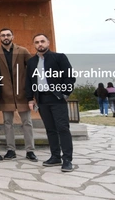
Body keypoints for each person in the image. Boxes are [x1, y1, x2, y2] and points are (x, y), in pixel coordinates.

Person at [26, 34, 76, 172]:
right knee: (50, 129)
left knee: (63, 128)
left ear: (48, 42)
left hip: (57, 98)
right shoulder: (31, 62)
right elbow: (29, 82)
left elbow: (69, 77)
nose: (40, 44)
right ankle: (55, 156)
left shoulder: (59, 57)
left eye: (42, 41)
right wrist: (30, 98)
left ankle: (67, 159)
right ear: (34, 45)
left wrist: (65, 94)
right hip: (42, 99)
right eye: (37, 42)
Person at [0, 28, 37, 161]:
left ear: (13, 36)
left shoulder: (22, 51)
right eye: (3, 35)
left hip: (22, 92)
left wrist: (32, 92)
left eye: (8, 35)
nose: (6, 37)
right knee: (7, 123)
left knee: (27, 122)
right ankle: (11, 150)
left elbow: (33, 68)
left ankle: (30, 151)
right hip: (5, 93)